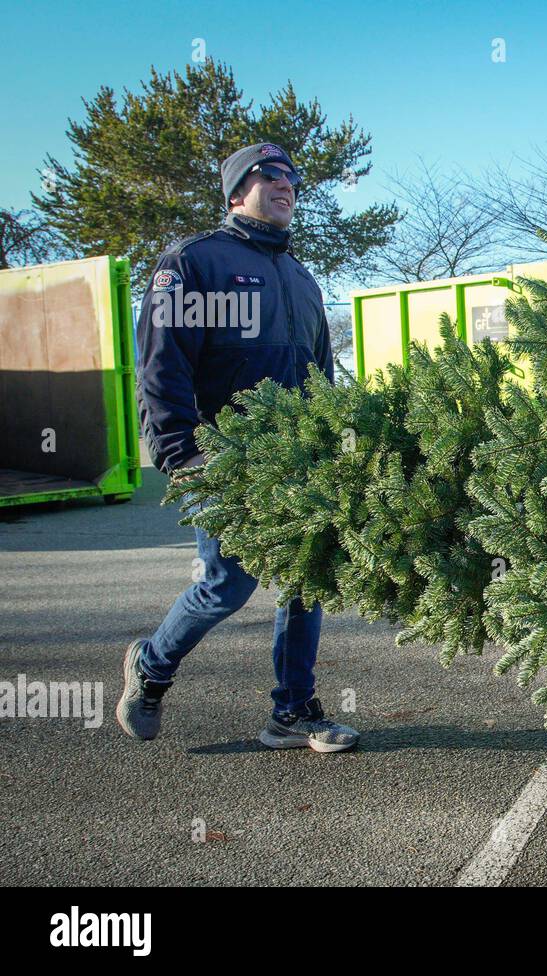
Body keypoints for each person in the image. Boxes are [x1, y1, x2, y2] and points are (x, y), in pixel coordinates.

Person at [117, 142, 358, 753]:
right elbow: (160, 363)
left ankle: (292, 712)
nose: (287, 185)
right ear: (235, 191)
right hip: (223, 458)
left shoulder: (301, 278)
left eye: (293, 178)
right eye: (270, 175)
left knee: (307, 579)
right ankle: (150, 665)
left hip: (298, 460)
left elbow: (320, 374)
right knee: (227, 583)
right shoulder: (194, 263)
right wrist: (180, 454)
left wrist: (331, 441)